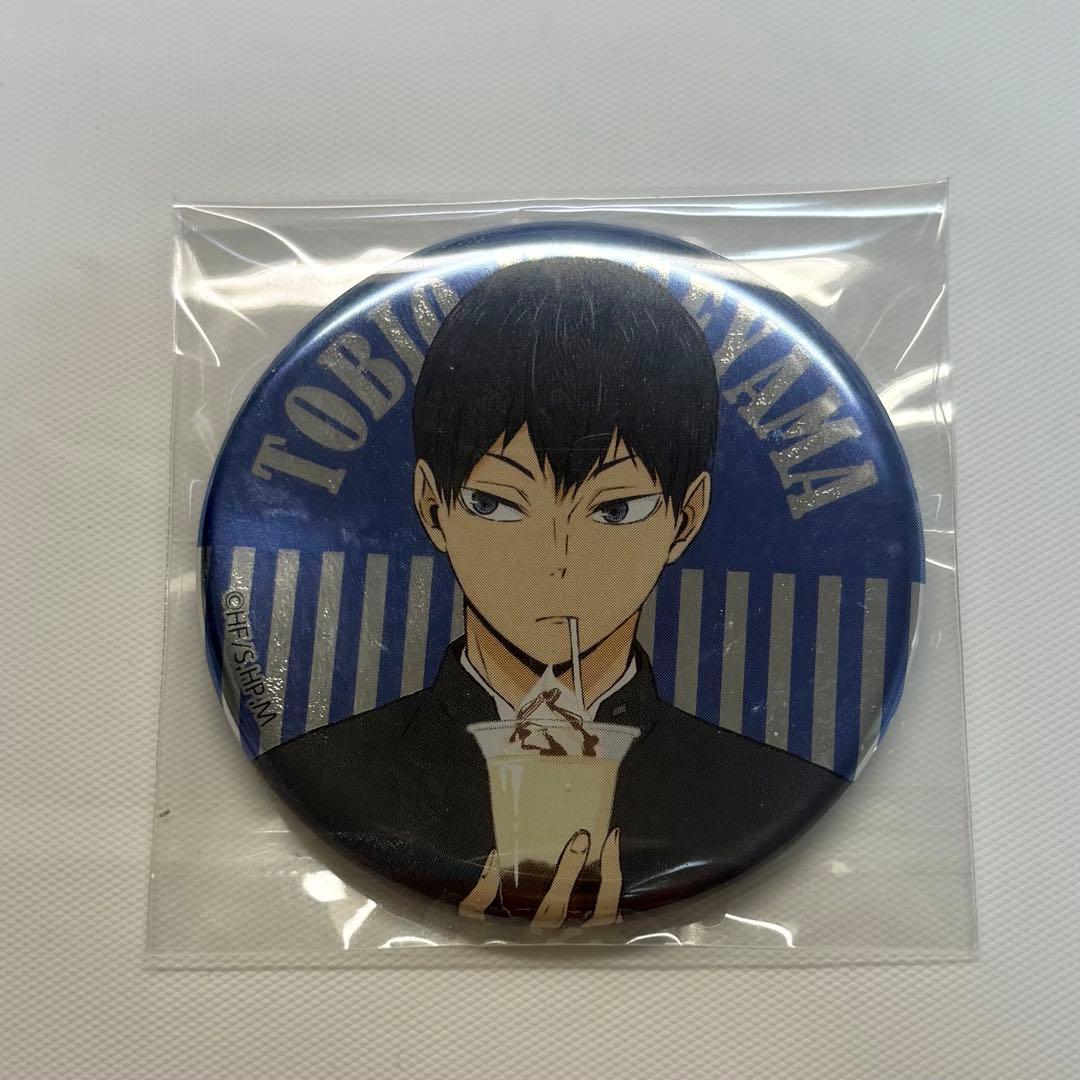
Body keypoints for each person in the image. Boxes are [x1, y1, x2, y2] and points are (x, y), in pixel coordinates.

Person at [258, 257, 845, 925]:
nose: (555, 561)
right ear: (431, 506)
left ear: (685, 519)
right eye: (497, 504)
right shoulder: (332, 770)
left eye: (614, 510)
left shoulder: (761, 791)